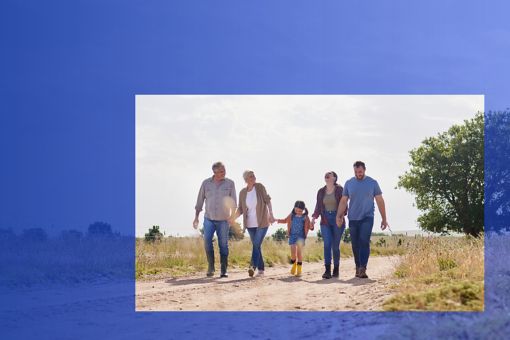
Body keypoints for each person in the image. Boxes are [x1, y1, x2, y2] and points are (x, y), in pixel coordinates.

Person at [336, 161, 389, 279]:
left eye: (360, 171)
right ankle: (358, 266)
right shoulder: (349, 183)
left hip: (367, 217)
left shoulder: (372, 183)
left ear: (364, 170)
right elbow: (344, 201)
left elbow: (380, 201)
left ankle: (363, 268)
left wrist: (384, 219)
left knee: (364, 241)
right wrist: (339, 215)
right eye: (355, 172)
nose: (358, 174)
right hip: (353, 218)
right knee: (355, 244)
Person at [194, 161, 237, 278]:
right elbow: (199, 201)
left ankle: (223, 269)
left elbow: (233, 202)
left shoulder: (230, 183)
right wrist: (196, 217)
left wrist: (232, 216)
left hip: (224, 220)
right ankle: (211, 267)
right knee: (207, 241)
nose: (224, 173)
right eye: (221, 171)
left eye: (224, 170)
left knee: (223, 244)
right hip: (209, 219)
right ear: (215, 172)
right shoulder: (206, 183)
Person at [234, 170, 275, 277]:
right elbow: (240, 208)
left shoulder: (260, 187)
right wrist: (232, 218)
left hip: (262, 222)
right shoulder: (242, 192)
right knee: (257, 245)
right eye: (251, 176)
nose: (254, 177)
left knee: (256, 244)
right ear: (246, 180)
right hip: (250, 224)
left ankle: (252, 266)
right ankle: (261, 269)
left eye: (254, 175)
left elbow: (268, 200)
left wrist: (271, 214)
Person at [311, 171, 347, 279]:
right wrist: (313, 218)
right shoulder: (321, 191)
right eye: (326, 174)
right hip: (325, 220)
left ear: (334, 178)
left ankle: (336, 269)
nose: (327, 175)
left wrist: (340, 216)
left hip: (337, 219)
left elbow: (344, 204)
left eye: (330, 174)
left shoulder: (340, 189)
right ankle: (327, 270)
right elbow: (318, 206)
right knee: (327, 245)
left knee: (335, 246)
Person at [276, 201, 312, 277]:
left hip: (301, 237)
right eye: (296, 210)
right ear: (294, 208)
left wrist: (312, 226)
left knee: (299, 253)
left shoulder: (305, 217)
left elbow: (309, 226)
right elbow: (285, 220)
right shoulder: (292, 215)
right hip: (292, 236)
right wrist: (276, 220)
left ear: (303, 210)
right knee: (293, 254)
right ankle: (294, 264)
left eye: (300, 211)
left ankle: (299, 270)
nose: (298, 212)